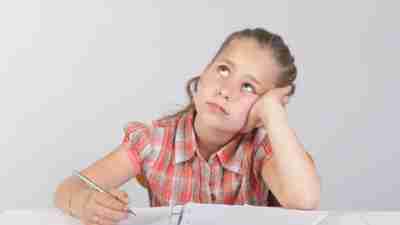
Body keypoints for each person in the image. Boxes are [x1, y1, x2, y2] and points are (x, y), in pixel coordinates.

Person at [54, 27, 321, 225]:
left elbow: (304, 200)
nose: (225, 90)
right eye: (224, 69)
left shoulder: (263, 150)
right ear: (203, 72)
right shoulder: (153, 141)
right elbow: (69, 187)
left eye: (248, 86)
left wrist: (274, 116)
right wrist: (85, 202)